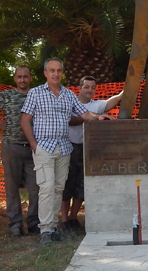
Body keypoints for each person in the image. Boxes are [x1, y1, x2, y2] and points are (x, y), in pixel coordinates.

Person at [21, 58, 115, 246]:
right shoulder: (35, 93)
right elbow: (25, 120)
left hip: (64, 148)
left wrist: (99, 117)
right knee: (46, 188)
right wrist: (33, 143)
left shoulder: (68, 94)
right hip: (44, 148)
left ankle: (53, 228)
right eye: (51, 70)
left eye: (59, 70)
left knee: (57, 189)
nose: (55, 74)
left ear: (62, 73)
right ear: (45, 73)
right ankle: (45, 230)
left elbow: (84, 113)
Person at [0, 65, 39, 238]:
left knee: (36, 189)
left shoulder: (37, 95)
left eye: (25, 76)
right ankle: (15, 225)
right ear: (15, 78)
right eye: (19, 76)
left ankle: (34, 223)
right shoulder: (6, 96)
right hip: (11, 147)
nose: (22, 80)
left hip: (33, 148)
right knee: (12, 188)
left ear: (31, 78)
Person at [61, 76, 123, 231]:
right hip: (68, 147)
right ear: (79, 88)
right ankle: (64, 220)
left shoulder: (97, 105)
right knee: (66, 184)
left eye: (93, 87)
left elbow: (116, 99)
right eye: (86, 87)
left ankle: (74, 219)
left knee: (81, 185)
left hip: (87, 149)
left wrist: (132, 83)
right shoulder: (69, 102)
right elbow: (69, 119)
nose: (89, 90)